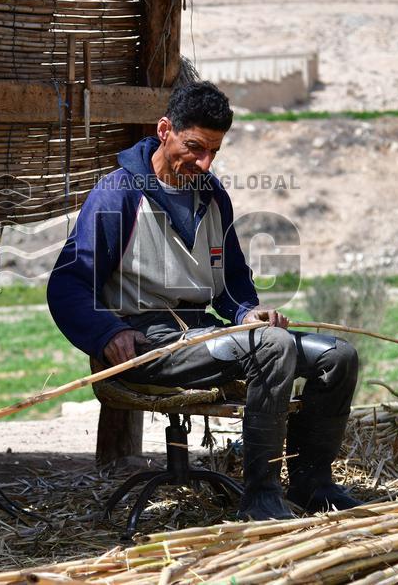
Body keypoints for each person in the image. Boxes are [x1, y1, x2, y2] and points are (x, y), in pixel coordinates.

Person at [46, 81, 361, 520]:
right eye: (194, 147)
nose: (204, 162)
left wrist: (249, 312)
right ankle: (261, 497)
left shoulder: (212, 196)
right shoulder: (118, 195)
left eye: (214, 151)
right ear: (164, 130)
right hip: (149, 344)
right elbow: (66, 285)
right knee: (273, 346)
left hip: (207, 333)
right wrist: (106, 332)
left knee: (338, 356)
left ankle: (312, 483)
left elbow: (231, 284)